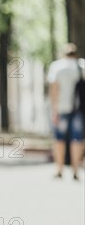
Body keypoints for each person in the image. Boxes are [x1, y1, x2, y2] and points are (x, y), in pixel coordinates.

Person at [48, 43, 84, 181]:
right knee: (77, 139)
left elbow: (54, 89)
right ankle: (75, 169)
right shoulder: (81, 66)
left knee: (59, 139)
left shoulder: (57, 67)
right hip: (78, 110)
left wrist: (54, 110)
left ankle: (59, 168)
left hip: (61, 109)